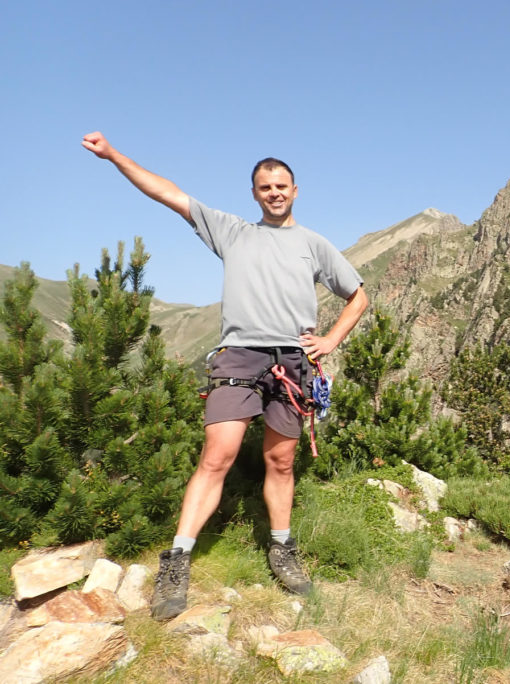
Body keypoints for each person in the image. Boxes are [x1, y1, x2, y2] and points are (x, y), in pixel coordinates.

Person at [82, 132, 368, 620]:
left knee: (281, 461)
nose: (274, 193)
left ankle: (281, 548)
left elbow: (358, 295)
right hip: (238, 356)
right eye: (265, 187)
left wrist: (331, 341)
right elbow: (167, 192)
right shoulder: (232, 231)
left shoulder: (314, 244)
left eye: (282, 186)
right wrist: (113, 156)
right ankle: (178, 561)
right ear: (254, 193)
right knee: (218, 455)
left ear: (295, 191)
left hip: (292, 364)